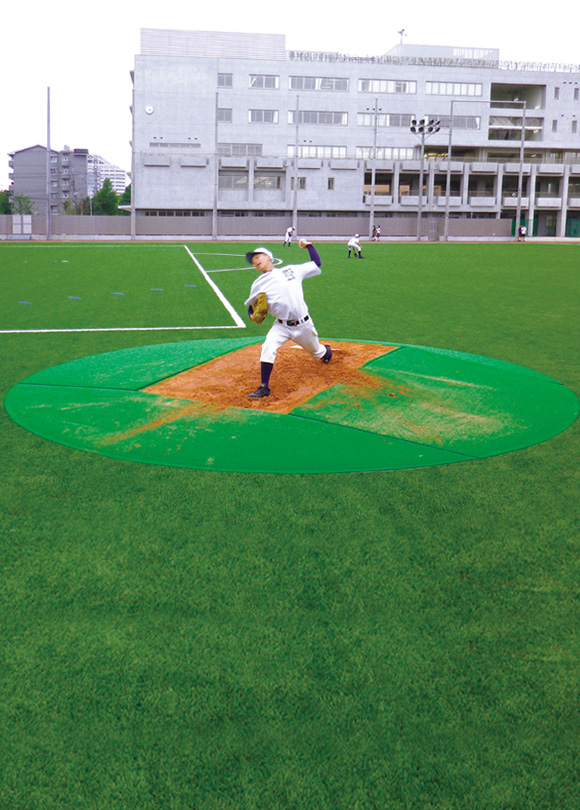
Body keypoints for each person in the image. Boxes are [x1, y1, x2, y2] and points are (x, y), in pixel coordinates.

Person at [244, 242, 332, 399]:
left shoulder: (291, 270)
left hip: (303, 325)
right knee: (268, 346)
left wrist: (309, 246)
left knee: (317, 353)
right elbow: (251, 306)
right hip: (281, 326)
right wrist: (252, 314)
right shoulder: (258, 283)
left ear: (268, 257)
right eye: (253, 261)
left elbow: (316, 263)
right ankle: (264, 387)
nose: (255, 262)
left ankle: (326, 351)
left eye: (257, 257)